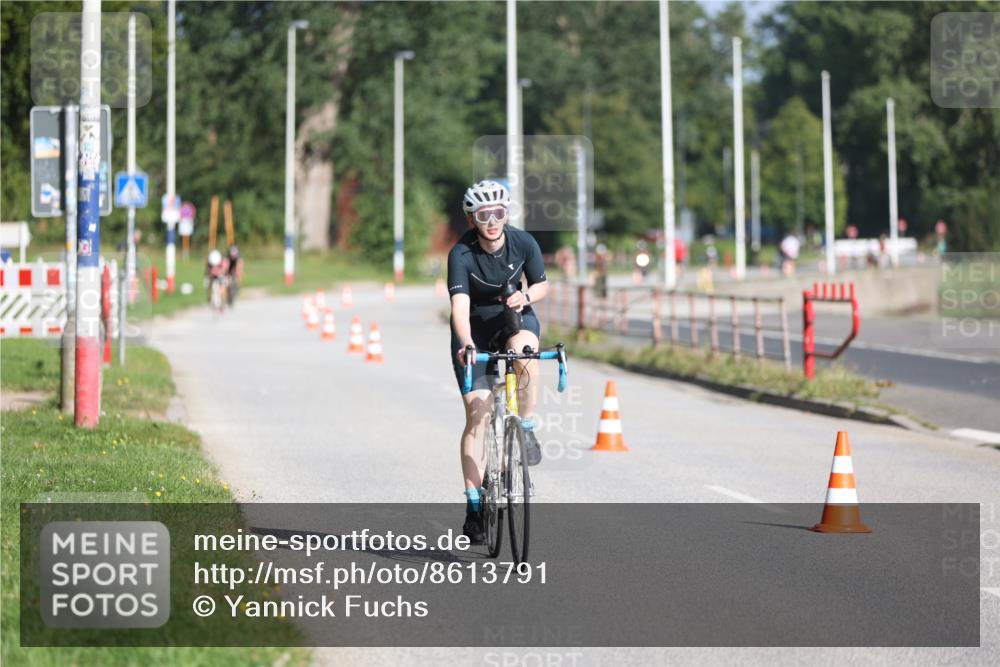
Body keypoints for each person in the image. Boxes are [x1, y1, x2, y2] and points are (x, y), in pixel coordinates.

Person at [447, 180, 549, 544]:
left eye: (498, 213)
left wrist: (524, 295)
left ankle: (526, 425)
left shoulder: (523, 242)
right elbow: (459, 306)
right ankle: (475, 506)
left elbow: (541, 285)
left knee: (526, 353)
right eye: (483, 214)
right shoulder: (461, 254)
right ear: (472, 218)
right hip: (473, 329)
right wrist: (468, 343)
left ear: (507, 214)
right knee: (478, 414)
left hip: (514, 318)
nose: (492, 221)